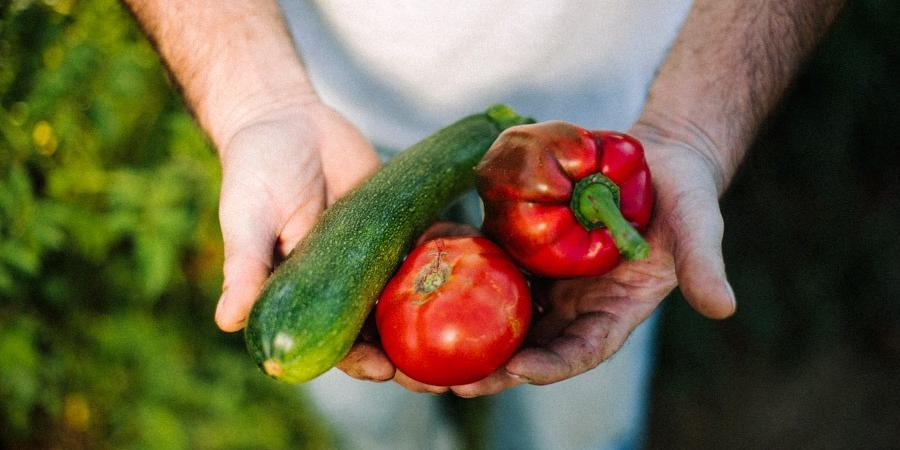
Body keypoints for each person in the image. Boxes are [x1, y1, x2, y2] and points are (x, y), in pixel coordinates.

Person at [124, 1, 845, 448]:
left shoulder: (628, 190)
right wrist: (259, 101)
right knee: (370, 423)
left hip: (626, 143)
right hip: (332, 142)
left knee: (578, 428)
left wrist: (690, 124)